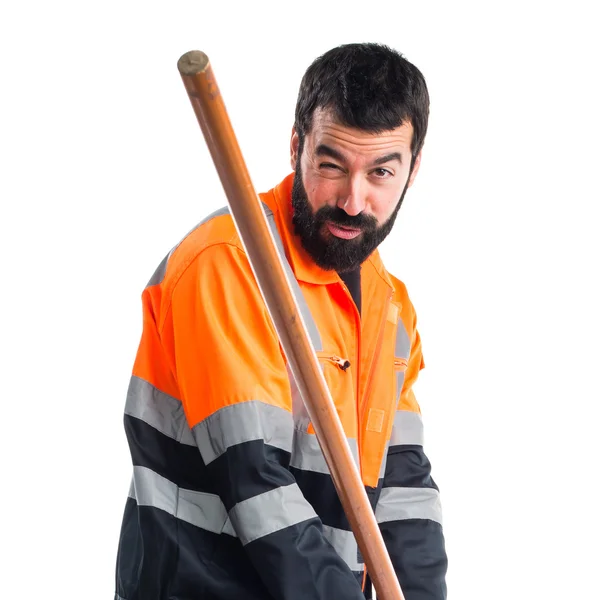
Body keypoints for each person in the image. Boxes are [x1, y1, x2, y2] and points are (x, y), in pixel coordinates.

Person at [114, 42, 448, 600]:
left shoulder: (390, 305)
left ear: (413, 170)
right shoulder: (226, 264)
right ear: (297, 146)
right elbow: (254, 481)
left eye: (380, 173)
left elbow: (404, 485)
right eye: (331, 165)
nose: (351, 200)